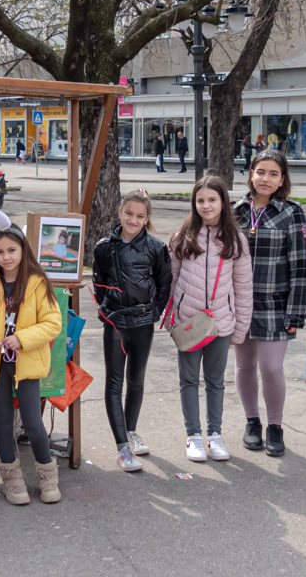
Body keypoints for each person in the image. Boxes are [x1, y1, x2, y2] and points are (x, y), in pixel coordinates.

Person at [165, 175, 252, 463]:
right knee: (188, 380)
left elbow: (243, 287)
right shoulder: (182, 235)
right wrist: (170, 316)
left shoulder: (235, 240)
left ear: (223, 203)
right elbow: (171, 278)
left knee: (215, 382)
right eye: (200, 200)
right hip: (188, 321)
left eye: (212, 200)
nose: (206, 205)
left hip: (221, 323)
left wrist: (239, 329)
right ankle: (193, 437)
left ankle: (215, 435)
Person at [0, 214, 63, 505]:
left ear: (23, 250)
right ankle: (12, 480)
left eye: (11, 250)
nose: (6, 257)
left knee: (32, 422)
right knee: (3, 422)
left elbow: (53, 323)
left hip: (26, 363)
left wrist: (22, 338)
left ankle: (47, 475)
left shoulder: (38, 283)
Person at [233, 149, 306, 457]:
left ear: (282, 180)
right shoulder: (235, 210)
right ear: (251, 173)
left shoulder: (292, 212)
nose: (266, 178)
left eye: (273, 174)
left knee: (272, 367)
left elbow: (301, 266)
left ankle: (275, 426)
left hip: (276, 305)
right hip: (239, 304)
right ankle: (252, 422)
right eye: (261, 171)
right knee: (244, 365)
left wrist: (296, 311)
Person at [92, 190, 171, 472]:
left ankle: (132, 430)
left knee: (136, 379)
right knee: (114, 383)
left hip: (142, 323)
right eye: (128, 214)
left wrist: (154, 311)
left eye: (140, 216)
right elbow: (98, 281)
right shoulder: (104, 247)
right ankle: (122, 447)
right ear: (119, 212)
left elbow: (164, 283)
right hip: (115, 322)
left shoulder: (156, 248)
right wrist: (105, 309)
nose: (133, 220)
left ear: (147, 218)